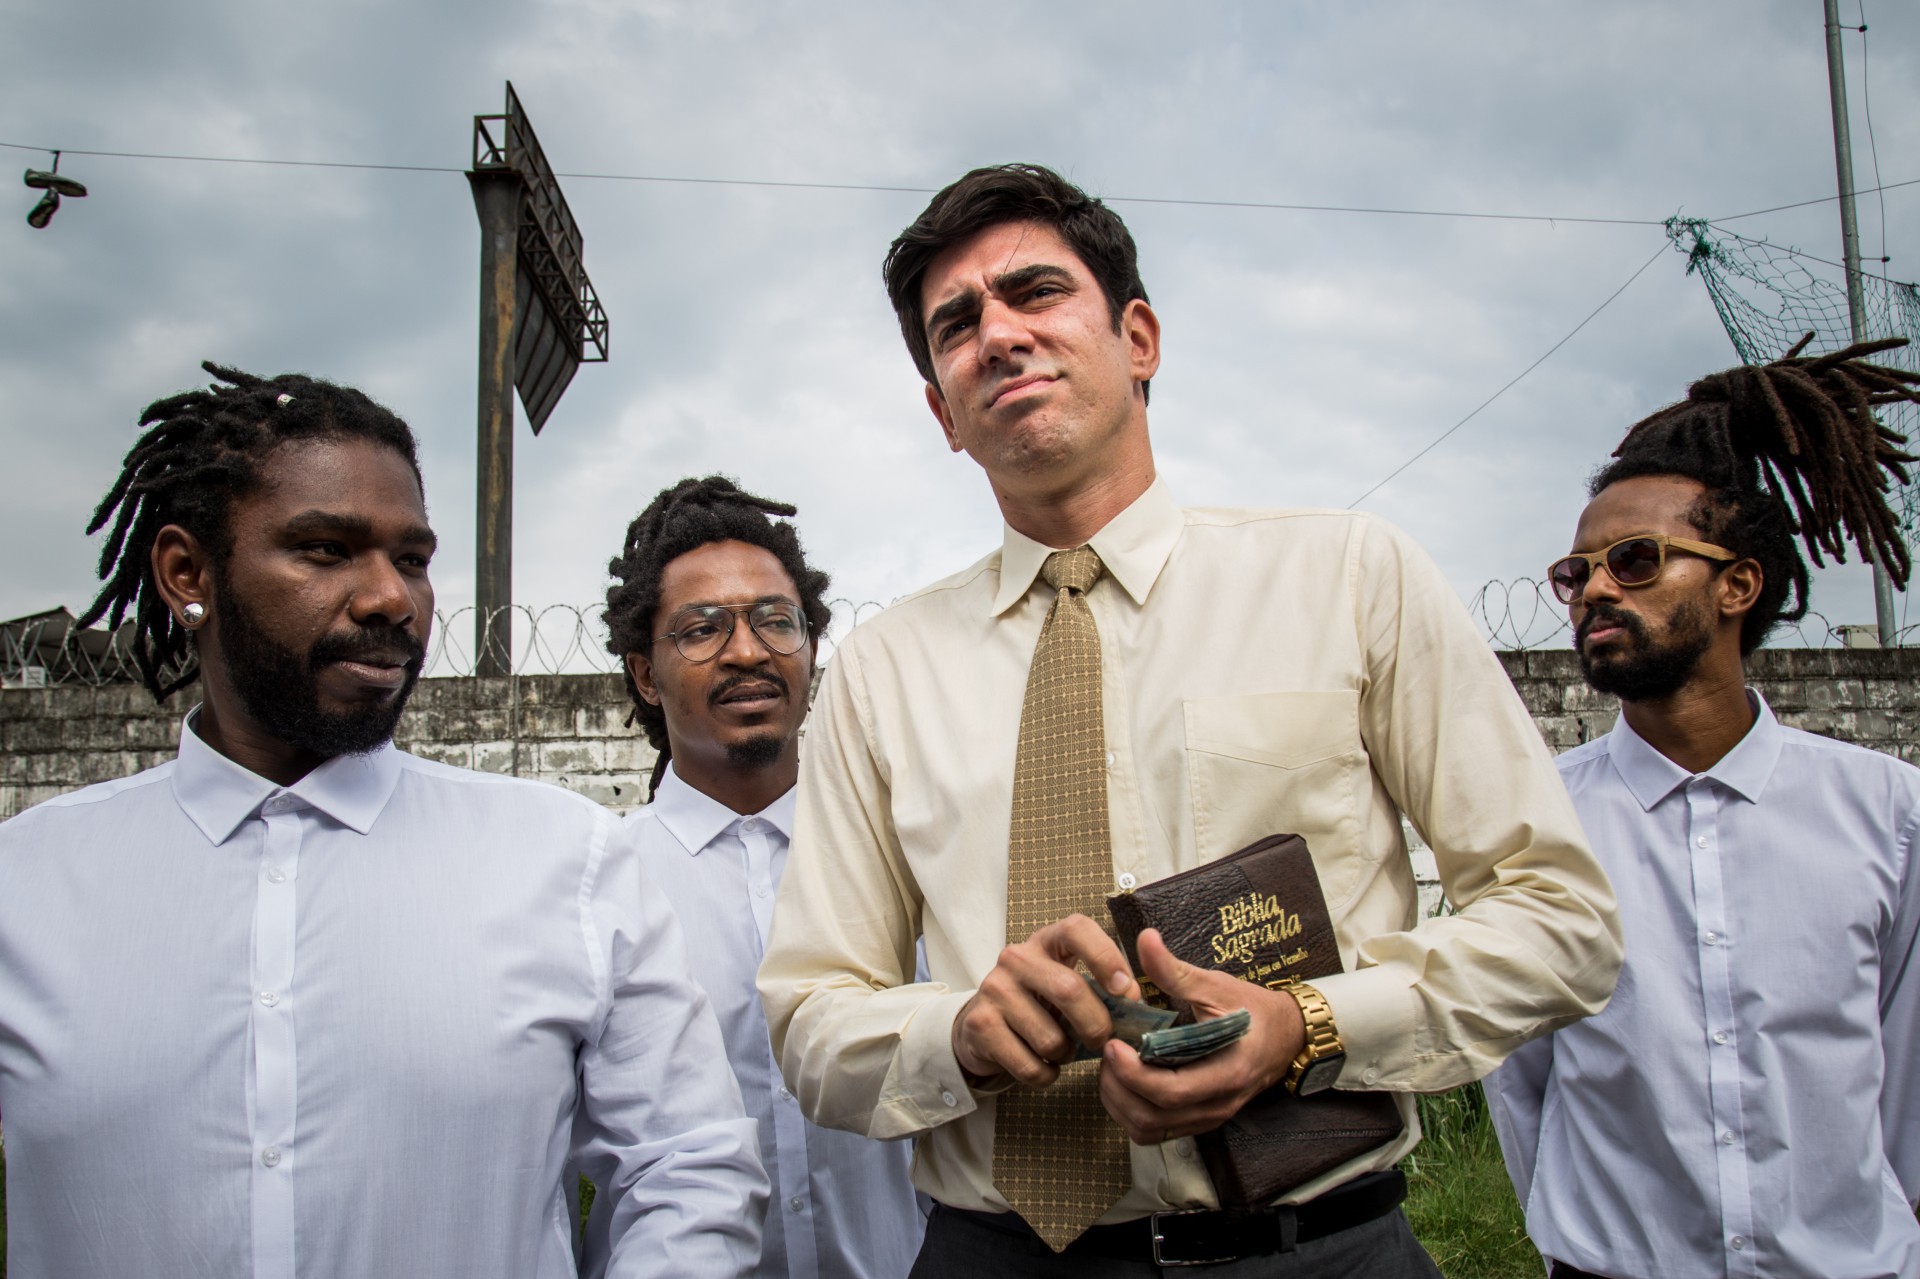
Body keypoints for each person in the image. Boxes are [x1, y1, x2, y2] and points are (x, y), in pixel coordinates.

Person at [757, 163, 1622, 1276]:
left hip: (1312, 1247)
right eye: (957, 324)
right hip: (997, 1250)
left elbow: (1561, 920)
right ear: (942, 410)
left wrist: (1310, 1024)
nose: (1000, 336)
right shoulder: (882, 671)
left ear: (1140, 338)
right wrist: (957, 1036)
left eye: (1036, 293)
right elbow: (811, 1018)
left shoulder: (1350, 577)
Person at [0, 364, 767, 1279]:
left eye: (411, 558)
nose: (391, 599)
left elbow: (690, 1165)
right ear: (185, 571)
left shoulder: (564, 860)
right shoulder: (27, 886)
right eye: (325, 549)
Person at [1484, 338, 1920, 1279]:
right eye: (1577, 572)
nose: (1595, 588)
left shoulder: (1886, 811)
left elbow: (1907, 1071)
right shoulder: (1537, 820)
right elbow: (1520, 1083)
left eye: (1636, 560)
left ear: (1737, 583)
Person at [601, 475, 925, 1278]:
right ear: (646, 674)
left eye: (775, 621)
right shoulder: (601, 885)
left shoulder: (906, 862)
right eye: (703, 628)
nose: (746, 651)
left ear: (811, 646)